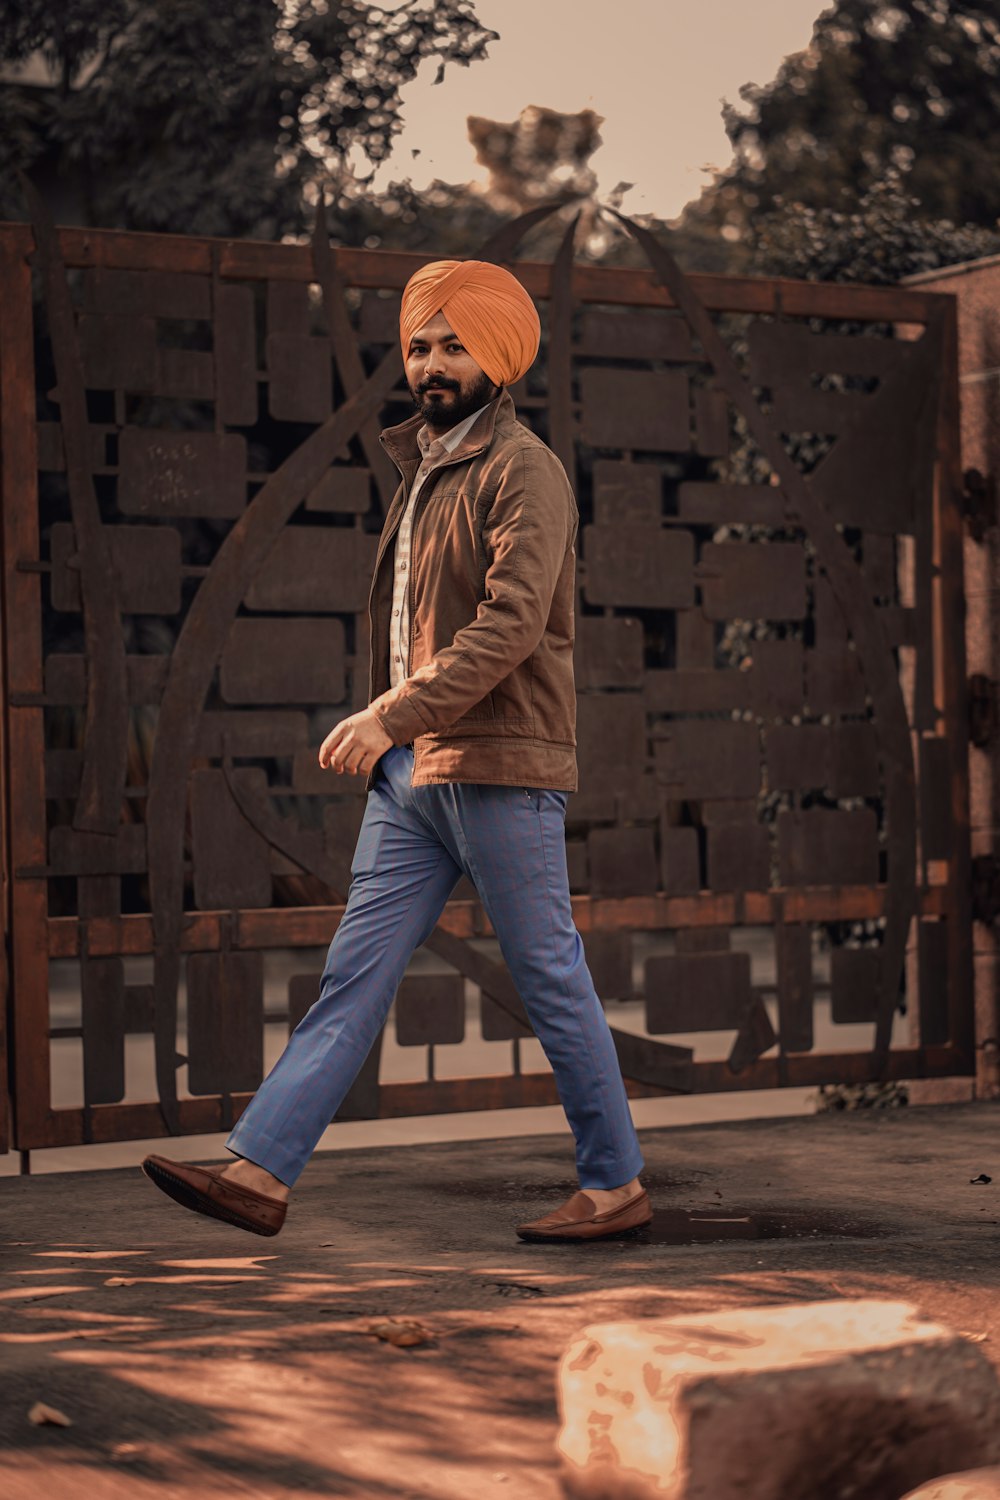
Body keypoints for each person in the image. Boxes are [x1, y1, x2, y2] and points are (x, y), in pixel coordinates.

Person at [142, 259, 651, 1244]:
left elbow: (508, 630)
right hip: (411, 779)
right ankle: (259, 1172)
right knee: (354, 975)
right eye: (419, 344)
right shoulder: (420, 472)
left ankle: (615, 1182)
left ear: (499, 355)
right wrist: (396, 738)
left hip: (497, 766)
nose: (430, 362)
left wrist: (390, 716)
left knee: (547, 975)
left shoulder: (524, 472)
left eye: (453, 344)